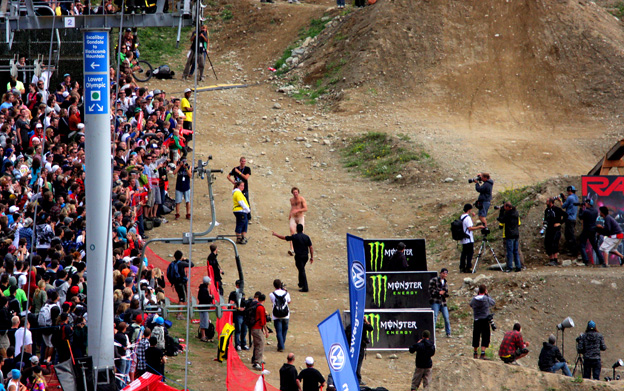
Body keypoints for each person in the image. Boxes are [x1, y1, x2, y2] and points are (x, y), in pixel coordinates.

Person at [272, 224, 314, 292]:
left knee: (301, 270)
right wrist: (312, 257)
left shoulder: (295, 237)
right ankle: (301, 283)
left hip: (299, 256)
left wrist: (276, 234)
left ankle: (305, 287)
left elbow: (284, 237)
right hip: (305, 256)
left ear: (296, 230)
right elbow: (311, 247)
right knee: (301, 269)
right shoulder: (306, 237)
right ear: (302, 229)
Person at [469, 284, 495, 360]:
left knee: (476, 335)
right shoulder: (486, 298)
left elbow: (471, 305)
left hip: (477, 319)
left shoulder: (474, 299)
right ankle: (483, 353)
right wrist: (488, 295)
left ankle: (475, 352)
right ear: (485, 291)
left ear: (478, 291)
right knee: (485, 336)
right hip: (485, 319)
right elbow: (493, 302)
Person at [578, 199, 605, 266]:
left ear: (588, 204)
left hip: (586, 229)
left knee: (582, 244)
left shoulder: (586, 211)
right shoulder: (595, 211)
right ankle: (602, 260)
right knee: (595, 246)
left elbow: (580, 217)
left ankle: (586, 260)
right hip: (593, 229)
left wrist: (581, 209)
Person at [497, 202, 522, 272]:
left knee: (509, 252)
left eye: (505, 207)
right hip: (516, 234)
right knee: (516, 251)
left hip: (509, 234)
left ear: (508, 207)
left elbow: (501, 219)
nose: (504, 208)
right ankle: (518, 266)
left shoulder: (508, 214)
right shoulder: (516, 213)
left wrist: (501, 211)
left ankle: (509, 267)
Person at [543, 197, 567, 266]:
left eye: (547, 201)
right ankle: (551, 259)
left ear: (551, 202)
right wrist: (544, 223)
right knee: (548, 243)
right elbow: (546, 218)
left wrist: (560, 223)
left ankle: (555, 259)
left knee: (554, 243)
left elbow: (565, 215)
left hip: (556, 229)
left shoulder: (557, 209)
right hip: (549, 229)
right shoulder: (547, 210)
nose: (546, 203)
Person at [269, 279, 291, 352]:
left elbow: (273, 301)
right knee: (284, 330)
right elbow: (289, 301)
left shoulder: (271, 294)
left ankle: (281, 346)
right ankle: (281, 345)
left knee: (279, 331)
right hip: (285, 314)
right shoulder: (286, 293)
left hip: (276, 315)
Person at [428, 268, 450, 338]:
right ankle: (432, 333)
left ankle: (448, 332)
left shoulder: (445, 282)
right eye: (443, 273)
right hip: (435, 301)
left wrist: (444, 293)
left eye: (446, 274)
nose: (444, 275)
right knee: (434, 317)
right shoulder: (434, 280)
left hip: (443, 302)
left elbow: (446, 292)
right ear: (440, 273)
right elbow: (430, 290)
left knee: (446, 317)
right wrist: (438, 292)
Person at [228, 280, 249, 351]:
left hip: (244, 315)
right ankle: (237, 344)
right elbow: (231, 304)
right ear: (237, 285)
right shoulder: (233, 294)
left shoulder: (243, 294)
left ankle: (244, 343)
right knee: (238, 330)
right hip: (238, 314)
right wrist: (238, 308)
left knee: (244, 330)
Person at [558, 186, 579, 255]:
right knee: (570, 234)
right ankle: (571, 249)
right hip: (573, 218)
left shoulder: (570, 198)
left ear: (569, 191)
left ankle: (573, 250)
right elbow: (569, 205)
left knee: (569, 235)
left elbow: (563, 206)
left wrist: (560, 200)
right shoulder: (576, 197)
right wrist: (565, 199)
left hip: (569, 218)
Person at [251, 293, 268, 371]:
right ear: (264, 300)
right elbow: (263, 321)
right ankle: (257, 362)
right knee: (260, 344)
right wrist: (266, 330)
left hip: (254, 327)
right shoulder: (261, 308)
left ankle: (256, 359)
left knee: (257, 344)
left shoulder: (255, 305)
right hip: (257, 328)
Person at [288, 187, 308, 256]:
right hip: (293, 217)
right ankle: (292, 249)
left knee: (301, 233)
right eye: (294, 192)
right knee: (292, 232)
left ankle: (302, 249)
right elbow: (292, 208)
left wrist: (298, 210)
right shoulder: (291, 200)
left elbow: (305, 208)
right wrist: (290, 214)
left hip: (300, 217)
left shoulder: (302, 199)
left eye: (296, 192)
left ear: (298, 192)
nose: (295, 194)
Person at [198, 276, 214, 342]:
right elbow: (204, 298)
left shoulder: (202, 288)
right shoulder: (204, 289)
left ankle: (203, 335)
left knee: (204, 321)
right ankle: (203, 336)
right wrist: (210, 298)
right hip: (203, 307)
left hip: (203, 307)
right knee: (204, 322)